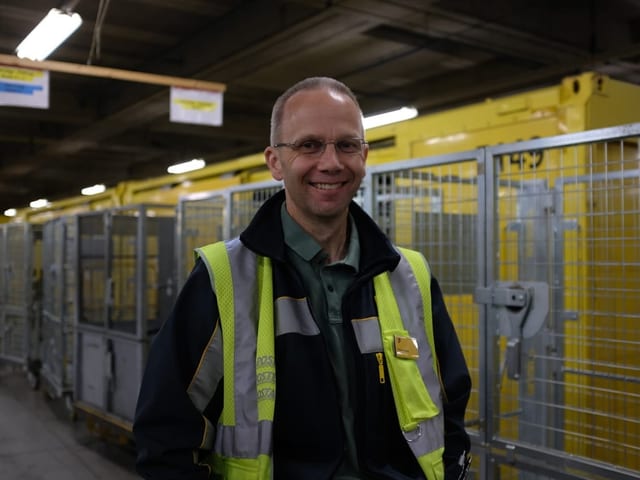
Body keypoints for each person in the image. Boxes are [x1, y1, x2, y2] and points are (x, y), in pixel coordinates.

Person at [133, 77, 472, 479]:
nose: (331, 162)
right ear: (275, 161)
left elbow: (449, 408)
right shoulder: (222, 278)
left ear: (364, 156)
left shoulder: (408, 275)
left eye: (347, 145)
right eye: (309, 145)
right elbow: (165, 435)